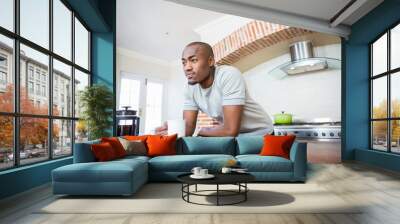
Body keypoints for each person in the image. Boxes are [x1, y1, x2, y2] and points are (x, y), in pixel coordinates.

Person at [156, 41, 273, 137]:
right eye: (184, 62)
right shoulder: (189, 88)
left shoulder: (228, 75)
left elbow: (230, 130)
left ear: (210, 61)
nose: (187, 68)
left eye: (193, 60)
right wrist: (172, 131)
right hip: (236, 137)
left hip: (261, 133)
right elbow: (188, 129)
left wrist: (200, 131)